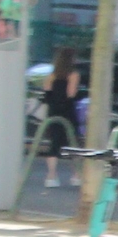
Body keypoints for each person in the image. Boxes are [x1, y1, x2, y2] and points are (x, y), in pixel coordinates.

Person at [38, 46, 83, 189]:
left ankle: (51, 176)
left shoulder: (51, 75)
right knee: (73, 142)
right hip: (67, 112)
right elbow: (71, 94)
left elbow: (46, 94)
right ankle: (76, 175)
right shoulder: (73, 75)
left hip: (53, 112)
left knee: (54, 143)